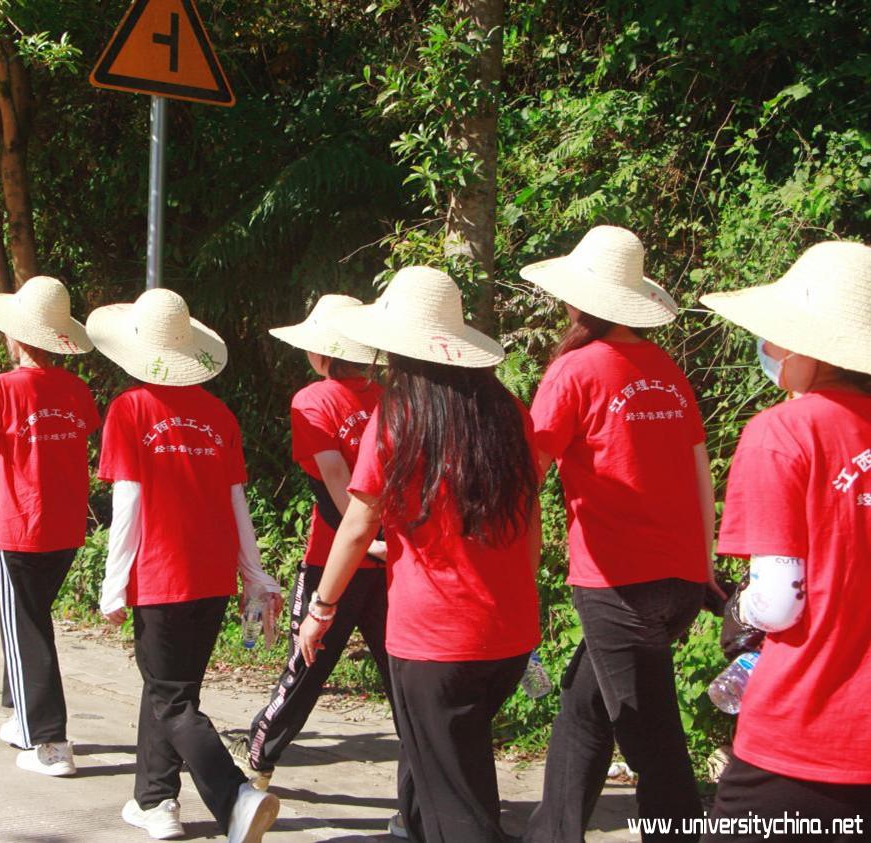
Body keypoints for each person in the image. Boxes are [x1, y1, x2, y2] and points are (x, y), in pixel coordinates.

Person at [298, 266, 541, 843]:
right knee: (460, 774)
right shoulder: (509, 411)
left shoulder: (400, 414)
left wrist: (322, 609)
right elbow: (529, 521)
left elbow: (357, 525)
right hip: (507, 632)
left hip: (434, 640)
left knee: (459, 810)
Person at [519, 226, 717, 841]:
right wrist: (704, 565)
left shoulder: (574, 370)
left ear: (578, 301)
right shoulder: (667, 370)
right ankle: (552, 832)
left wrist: (511, 564)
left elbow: (527, 474)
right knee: (584, 707)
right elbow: (700, 471)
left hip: (618, 583)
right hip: (681, 577)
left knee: (653, 743)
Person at [88, 287, 284, 843]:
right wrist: (252, 573)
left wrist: (113, 584)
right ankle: (156, 802)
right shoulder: (218, 414)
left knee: (172, 700)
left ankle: (236, 798)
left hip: (159, 576)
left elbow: (127, 504)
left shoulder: (129, 410)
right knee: (173, 691)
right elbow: (236, 501)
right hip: (210, 577)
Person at [698, 241, 871, 840]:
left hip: (809, 725)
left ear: (804, 348)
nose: (768, 350)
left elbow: (778, 601)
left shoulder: (783, 433)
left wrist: (735, 606)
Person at [230, 294, 394, 789]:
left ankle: (259, 756)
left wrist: (364, 541)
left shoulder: (313, 400)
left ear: (323, 354)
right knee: (402, 672)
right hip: (393, 554)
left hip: (335, 555)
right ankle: (428, 774)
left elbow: (337, 478)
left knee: (308, 659)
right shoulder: (392, 397)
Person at [0, 275, 99, 777]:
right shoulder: (76, 388)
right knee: (30, 619)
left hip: (19, 521)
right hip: (64, 525)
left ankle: (48, 741)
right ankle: (24, 717)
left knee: (26, 628)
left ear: (17, 337)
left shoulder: (1, 388)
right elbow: (79, 431)